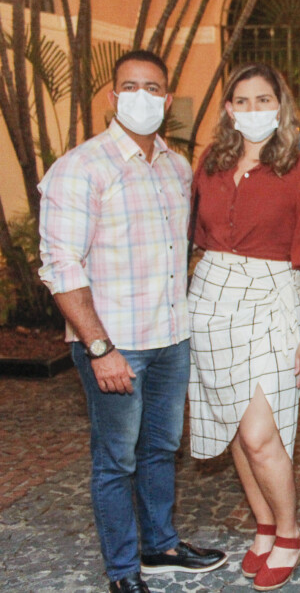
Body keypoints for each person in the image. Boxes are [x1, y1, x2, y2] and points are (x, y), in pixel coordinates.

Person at [38, 50, 227, 593]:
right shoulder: (81, 167)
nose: (142, 97)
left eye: (153, 88)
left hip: (170, 339)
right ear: (113, 96)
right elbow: (61, 266)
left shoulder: (176, 166)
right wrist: (100, 348)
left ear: (167, 100)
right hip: (116, 344)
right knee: (116, 460)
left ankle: (160, 546)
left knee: (161, 449)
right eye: (131, 86)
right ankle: (123, 571)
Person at [187, 63, 300, 591]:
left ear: (281, 105)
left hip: (273, 303)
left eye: (264, 99)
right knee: (235, 425)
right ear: (229, 109)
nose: (253, 110)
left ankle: (290, 534)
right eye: (243, 101)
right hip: (211, 304)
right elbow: (195, 239)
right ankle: (265, 525)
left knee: (258, 432)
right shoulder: (210, 162)